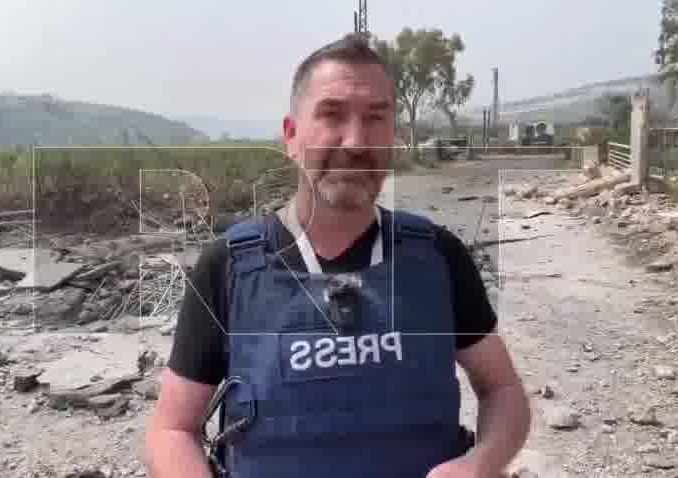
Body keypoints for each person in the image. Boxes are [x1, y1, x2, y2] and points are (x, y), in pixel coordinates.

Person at [144, 34, 531, 478]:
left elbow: (502, 390)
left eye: (375, 118)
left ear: (394, 136)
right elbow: (172, 430)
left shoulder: (439, 257)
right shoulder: (228, 267)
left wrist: (479, 465)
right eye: (332, 115)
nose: (355, 141)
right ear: (291, 135)